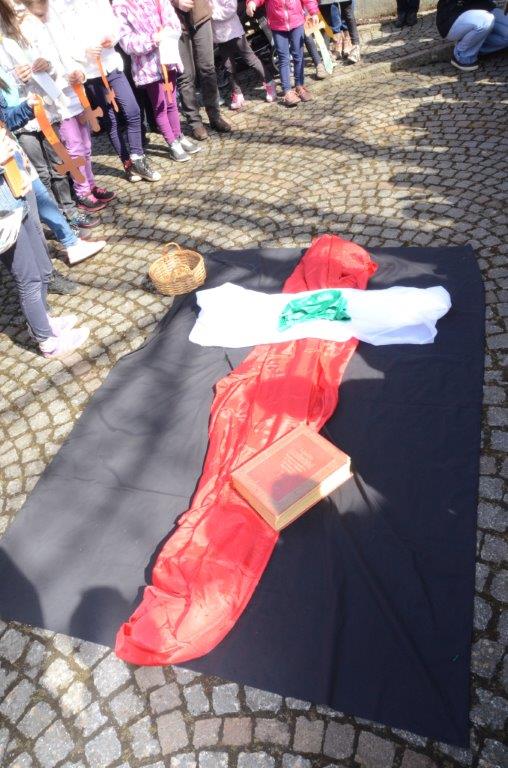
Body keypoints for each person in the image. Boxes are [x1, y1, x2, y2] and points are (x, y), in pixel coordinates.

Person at [0, 0, 100, 233]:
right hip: (21, 120)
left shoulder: (22, 28)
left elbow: (50, 59)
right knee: (41, 172)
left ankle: (70, 211)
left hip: (45, 109)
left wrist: (48, 66)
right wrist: (14, 78)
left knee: (58, 164)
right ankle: (58, 223)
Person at [0, 127, 90, 358]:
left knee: (40, 267)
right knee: (28, 278)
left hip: (17, 197)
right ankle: (46, 341)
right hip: (4, 216)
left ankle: (44, 322)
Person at [48, 0, 160, 182]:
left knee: (132, 110)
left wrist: (112, 38)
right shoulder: (59, 6)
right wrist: (84, 53)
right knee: (111, 119)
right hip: (90, 72)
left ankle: (138, 158)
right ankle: (128, 164)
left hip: (111, 64)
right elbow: (62, 43)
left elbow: (115, 24)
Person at [19, 0, 115, 211]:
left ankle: (91, 185)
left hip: (76, 91)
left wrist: (79, 70)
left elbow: (70, 50)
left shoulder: (55, 17)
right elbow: (38, 65)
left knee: (86, 144)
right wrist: (58, 73)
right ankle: (82, 192)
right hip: (57, 99)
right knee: (74, 148)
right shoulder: (25, 26)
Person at [0, 85, 106, 266]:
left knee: (41, 195)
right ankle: (44, 268)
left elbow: (5, 118)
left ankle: (71, 242)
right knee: (28, 219)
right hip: (6, 166)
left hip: (13, 156)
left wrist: (27, 107)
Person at [112, 0, 201, 162]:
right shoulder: (121, 6)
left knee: (172, 101)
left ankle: (178, 135)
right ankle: (172, 143)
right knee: (160, 106)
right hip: (148, 66)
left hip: (167, 57)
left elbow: (170, 17)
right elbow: (126, 42)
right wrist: (152, 39)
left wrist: (168, 32)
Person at [172, 0, 232, 140]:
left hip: (200, 15)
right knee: (186, 75)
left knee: (208, 69)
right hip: (175, 22)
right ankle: (195, 122)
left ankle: (215, 116)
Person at [246, 0, 320, 106]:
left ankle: (300, 86)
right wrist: (252, 3)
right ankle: (287, 91)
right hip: (277, 25)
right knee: (283, 58)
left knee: (298, 56)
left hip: (297, 22)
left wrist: (313, 12)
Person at [211, 0, 277, 109]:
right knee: (228, 66)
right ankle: (237, 93)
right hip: (219, 36)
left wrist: (212, 13)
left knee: (250, 59)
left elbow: (231, 9)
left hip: (234, 31)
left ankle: (269, 82)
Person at [436, 0, 503, 70]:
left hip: (485, 8)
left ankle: (474, 47)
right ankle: (462, 55)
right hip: (453, 16)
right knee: (485, 21)